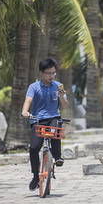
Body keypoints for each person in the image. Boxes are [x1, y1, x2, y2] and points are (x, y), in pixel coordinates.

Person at [22, 58, 69, 191]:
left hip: (54, 116)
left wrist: (62, 96)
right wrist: (25, 111)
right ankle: (35, 177)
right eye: (48, 73)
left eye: (53, 73)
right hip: (38, 119)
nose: (51, 76)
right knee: (34, 148)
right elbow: (28, 100)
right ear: (41, 73)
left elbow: (65, 105)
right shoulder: (34, 87)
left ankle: (58, 157)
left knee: (55, 131)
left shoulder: (58, 86)